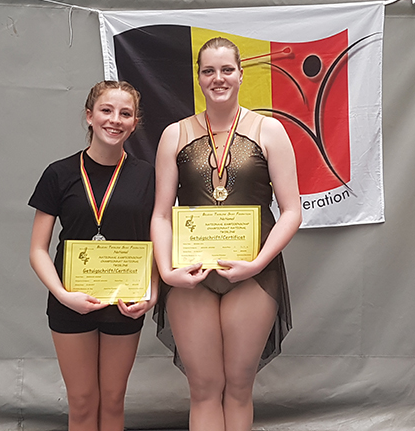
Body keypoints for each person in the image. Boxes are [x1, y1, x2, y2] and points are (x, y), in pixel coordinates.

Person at [151, 37, 302, 431]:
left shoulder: (269, 130)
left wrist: (258, 263)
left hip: (253, 273)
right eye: (209, 71)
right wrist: (167, 272)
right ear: (199, 77)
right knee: (203, 389)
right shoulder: (175, 134)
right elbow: (161, 215)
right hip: (191, 273)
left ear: (240, 74)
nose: (218, 78)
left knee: (237, 387)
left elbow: (292, 211)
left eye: (226, 70)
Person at [28, 80, 156, 431]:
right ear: (89, 116)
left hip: (125, 302)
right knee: (82, 402)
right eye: (106, 110)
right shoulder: (59, 173)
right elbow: (37, 249)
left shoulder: (148, 176)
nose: (115, 120)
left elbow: (157, 242)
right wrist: (62, 295)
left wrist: (152, 293)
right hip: (71, 300)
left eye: (125, 113)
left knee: (113, 400)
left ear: (134, 123)